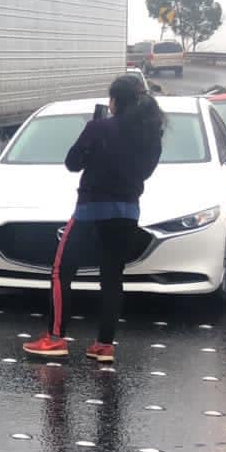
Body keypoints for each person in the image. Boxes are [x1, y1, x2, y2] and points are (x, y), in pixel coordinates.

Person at [24, 75, 165, 363]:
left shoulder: (99, 127)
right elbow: (145, 173)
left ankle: (55, 337)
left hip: (91, 210)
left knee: (61, 271)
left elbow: (72, 163)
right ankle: (104, 344)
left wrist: (92, 136)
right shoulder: (151, 134)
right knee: (112, 278)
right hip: (127, 211)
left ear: (114, 101)